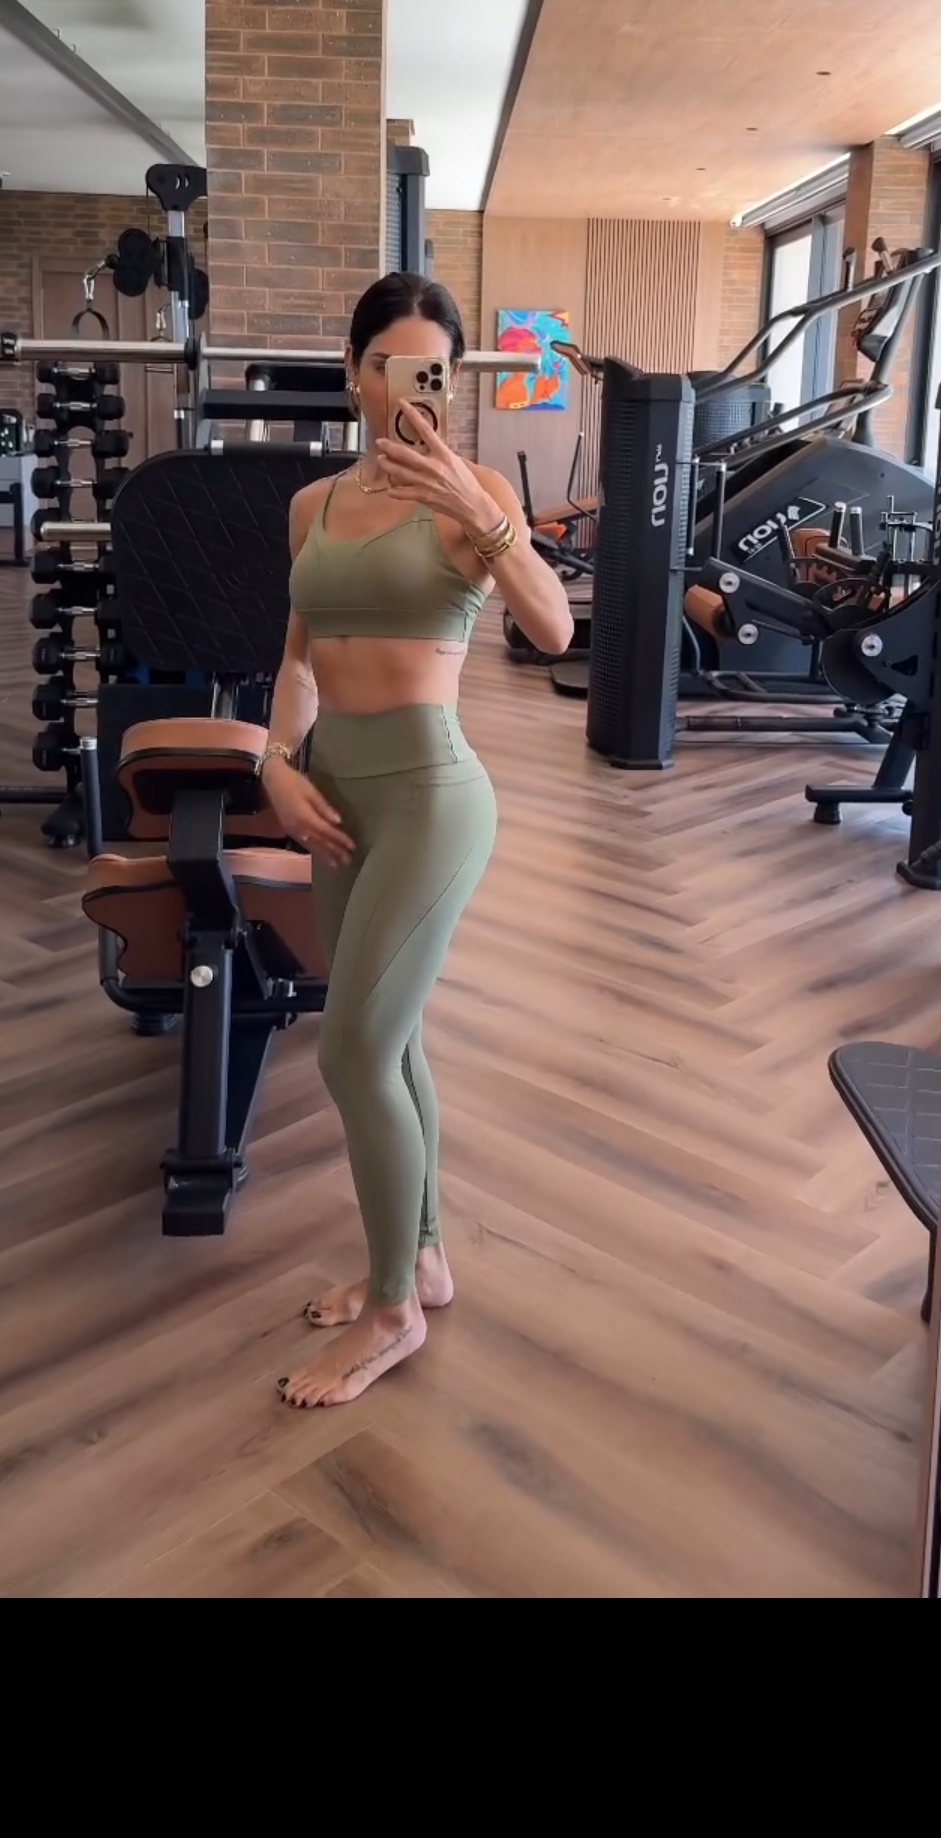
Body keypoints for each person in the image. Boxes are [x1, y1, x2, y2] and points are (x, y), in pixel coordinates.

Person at [260, 272, 575, 1409]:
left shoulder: (475, 491)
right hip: (335, 795)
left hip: (433, 798)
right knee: (388, 1043)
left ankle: (391, 1311)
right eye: (392, 367)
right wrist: (275, 767)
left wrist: (480, 514)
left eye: (434, 371)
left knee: (351, 1051)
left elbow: (554, 628)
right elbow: (296, 662)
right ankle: (424, 1260)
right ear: (356, 374)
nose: (413, 392)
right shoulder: (312, 506)